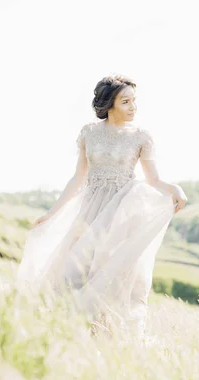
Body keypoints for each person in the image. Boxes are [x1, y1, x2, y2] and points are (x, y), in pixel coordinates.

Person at [16, 74, 188, 338]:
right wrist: (52, 213)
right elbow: (78, 178)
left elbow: (153, 179)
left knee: (109, 274)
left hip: (121, 212)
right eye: (126, 101)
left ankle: (103, 335)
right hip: (88, 209)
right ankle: (68, 331)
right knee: (72, 270)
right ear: (109, 104)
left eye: (134, 101)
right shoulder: (89, 133)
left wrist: (173, 188)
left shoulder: (141, 137)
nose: (133, 107)